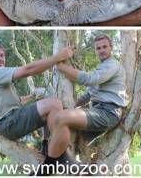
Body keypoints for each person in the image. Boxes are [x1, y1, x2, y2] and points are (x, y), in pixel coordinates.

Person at [0, 42, 75, 173]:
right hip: (7, 124)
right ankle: (54, 161)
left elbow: (16, 102)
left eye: (2, 55)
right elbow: (27, 70)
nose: (0, 58)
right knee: (55, 104)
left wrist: (32, 96)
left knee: (49, 109)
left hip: (8, 123)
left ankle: (47, 147)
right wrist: (57, 57)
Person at [43, 34, 128, 173]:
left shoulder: (112, 65)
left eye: (104, 47)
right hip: (97, 111)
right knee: (52, 114)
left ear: (111, 48)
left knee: (61, 118)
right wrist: (72, 106)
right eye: (98, 48)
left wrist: (60, 66)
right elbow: (88, 95)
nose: (101, 50)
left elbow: (90, 79)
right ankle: (48, 149)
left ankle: (48, 166)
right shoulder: (102, 67)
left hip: (108, 112)